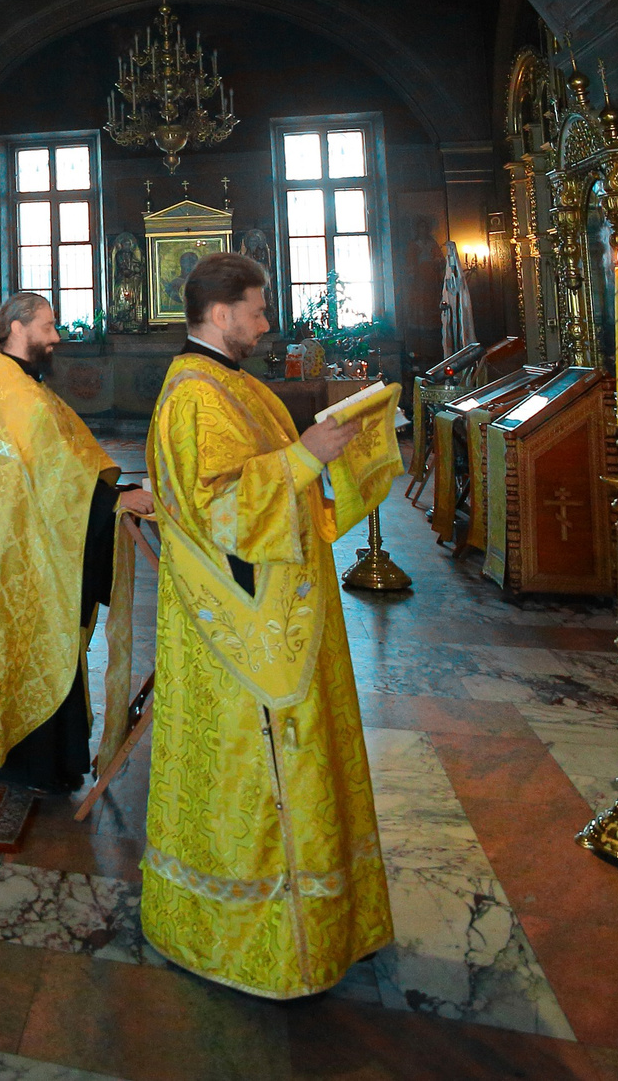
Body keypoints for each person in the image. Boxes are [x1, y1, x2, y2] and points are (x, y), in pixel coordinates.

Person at [141, 252, 392, 999]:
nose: (265, 320)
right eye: (255, 307)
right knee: (259, 772)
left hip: (287, 607)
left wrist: (338, 454)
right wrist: (301, 459)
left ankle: (326, 919)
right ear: (219, 314)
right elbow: (217, 509)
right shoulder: (194, 396)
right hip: (243, 633)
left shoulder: (240, 386)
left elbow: (291, 484)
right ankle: (258, 934)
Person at [0, 292, 154, 793]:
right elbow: (55, 472)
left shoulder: (17, 379)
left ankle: (45, 758)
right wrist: (116, 499)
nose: (56, 337)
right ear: (19, 327)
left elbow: (61, 463)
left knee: (45, 639)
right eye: (48, 327)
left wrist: (114, 492)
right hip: (27, 543)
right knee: (40, 638)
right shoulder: (15, 389)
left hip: (35, 533)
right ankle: (37, 763)